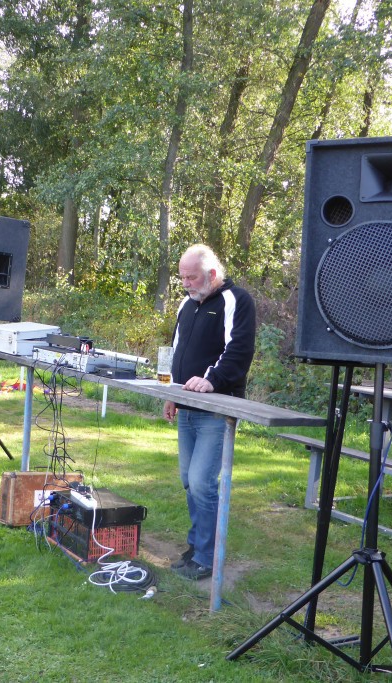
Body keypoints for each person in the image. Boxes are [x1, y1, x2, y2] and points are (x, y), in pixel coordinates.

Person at [162, 244, 256, 581]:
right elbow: (177, 350)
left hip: (217, 409)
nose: (186, 283)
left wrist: (211, 380)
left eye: (191, 277)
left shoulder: (236, 300)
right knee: (189, 481)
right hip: (186, 407)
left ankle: (207, 557)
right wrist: (172, 392)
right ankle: (196, 548)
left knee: (202, 482)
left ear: (212, 274)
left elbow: (239, 350)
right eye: (182, 278)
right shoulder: (186, 305)